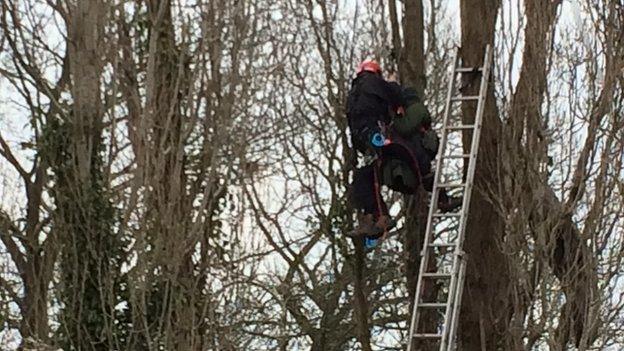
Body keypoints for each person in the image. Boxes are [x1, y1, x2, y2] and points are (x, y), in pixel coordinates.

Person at [346, 60, 461, 239]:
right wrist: (393, 86)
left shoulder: (355, 93)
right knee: (400, 164)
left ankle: (377, 216)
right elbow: (394, 95)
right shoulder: (374, 85)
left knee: (368, 175)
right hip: (380, 135)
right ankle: (379, 216)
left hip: (370, 137)